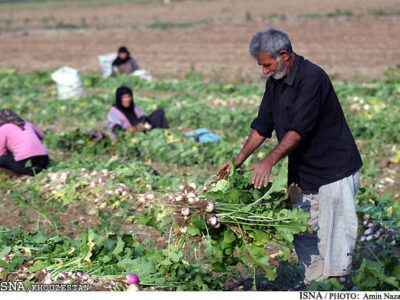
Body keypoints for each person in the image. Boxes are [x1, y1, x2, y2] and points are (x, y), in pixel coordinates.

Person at [216, 29, 362, 284]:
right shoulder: (275, 83)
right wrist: (237, 161)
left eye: (267, 64)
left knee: (336, 242)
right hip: (300, 176)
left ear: (284, 55)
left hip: (333, 172)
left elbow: (298, 131)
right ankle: (316, 285)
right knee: (299, 228)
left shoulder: (312, 78)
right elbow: (262, 126)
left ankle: (335, 286)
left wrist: (269, 160)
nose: (264, 71)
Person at [0, 109, 49, 178]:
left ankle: (19, 175)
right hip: (44, 161)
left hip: (25, 165)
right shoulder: (26, 123)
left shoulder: (3, 128)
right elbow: (42, 136)